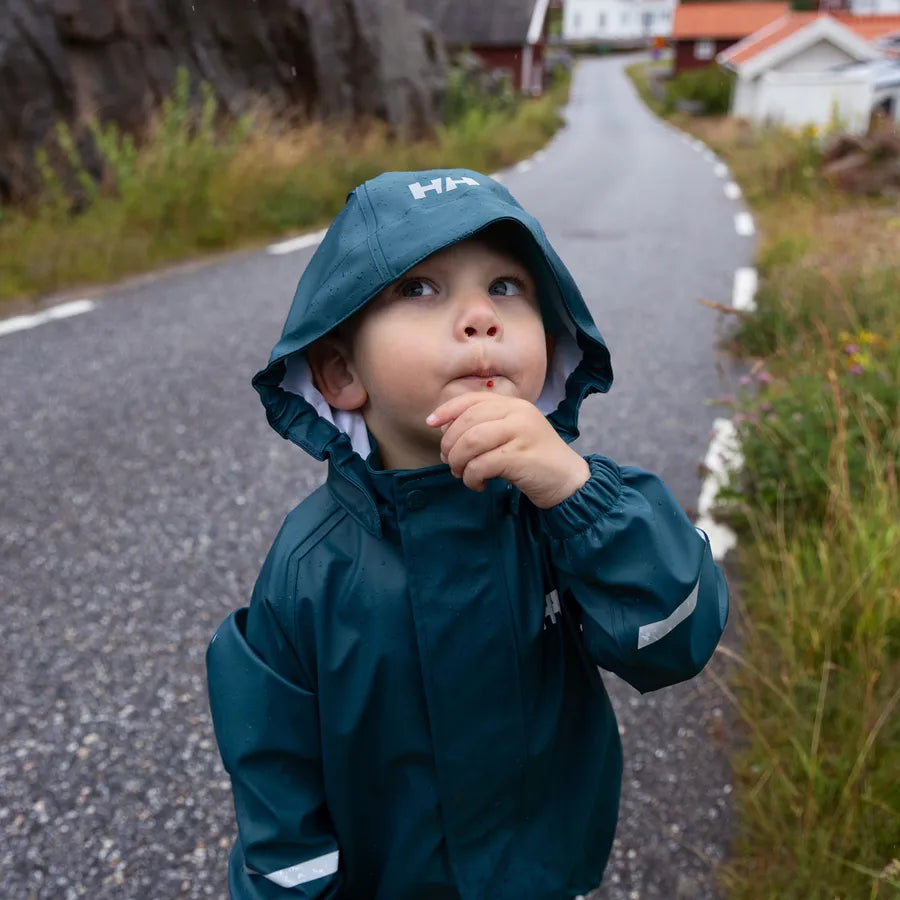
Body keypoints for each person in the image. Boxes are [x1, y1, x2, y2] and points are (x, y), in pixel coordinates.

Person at [206, 168, 729, 900]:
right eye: (418, 289)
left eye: (508, 287)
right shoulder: (310, 566)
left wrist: (577, 493)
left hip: (546, 879)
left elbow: (676, 640)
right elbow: (274, 778)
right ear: (339, 372)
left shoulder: (572, 508)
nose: (480, 317)